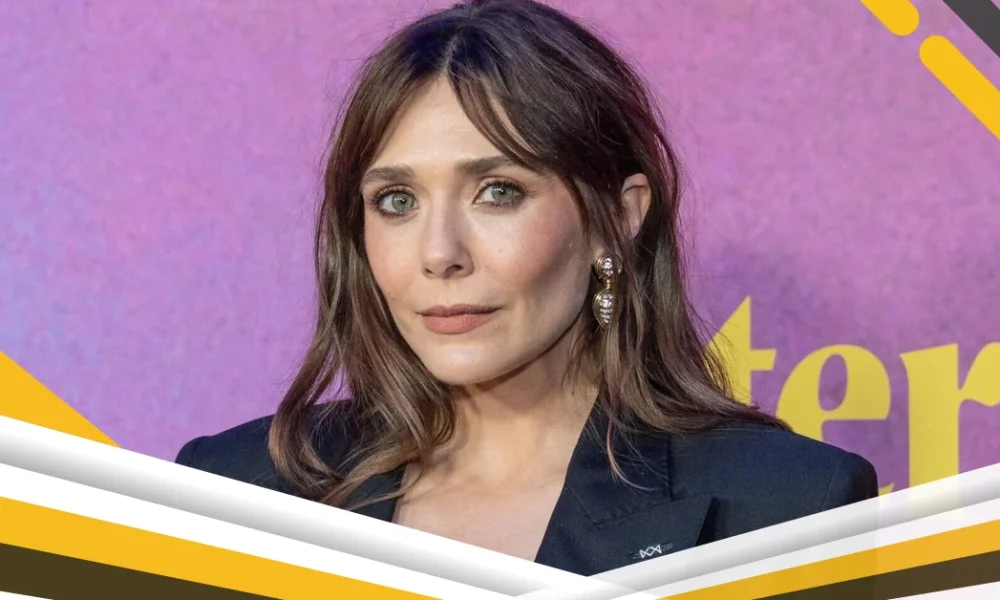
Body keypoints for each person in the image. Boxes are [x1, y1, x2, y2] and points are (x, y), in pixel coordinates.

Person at [175, 0, 878, 576]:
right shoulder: (236, 494)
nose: (439, 254)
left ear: (617, 219)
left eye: (497, 191)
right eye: (397, 201)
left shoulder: (783, 509)